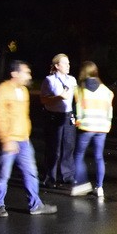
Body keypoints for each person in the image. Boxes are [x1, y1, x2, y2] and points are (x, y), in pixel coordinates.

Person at [0, 60, 57, 217]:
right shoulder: (2, 90)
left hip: (24, 140)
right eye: (25, 72)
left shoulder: (24, 91)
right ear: (15, 73)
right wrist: (6, 139)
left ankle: (35, 205)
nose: (29, 75)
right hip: (9, 140)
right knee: (3, 175)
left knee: (31, 173)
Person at [70, 61, 114, 198]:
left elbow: (77, 111)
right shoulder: (106, 91)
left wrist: (77, 121)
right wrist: (108, 123)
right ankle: (99, 187)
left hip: (86, 126)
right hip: (102, 127)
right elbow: (109, 111)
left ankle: (81, 183)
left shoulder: (79, 90)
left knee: (78, 155)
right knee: (99, 157)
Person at [39, 53, 77, 187]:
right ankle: (50, 176)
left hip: (68, 116)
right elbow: (43, 99)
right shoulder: (49, 80)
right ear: (57, 66)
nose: (68, 65)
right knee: (53, 148)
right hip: (54, 116)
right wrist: (58, 97)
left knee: (69, 146)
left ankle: (67, 175)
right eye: (65, 63)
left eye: (69, 63)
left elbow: (76, 97)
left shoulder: (72, 80)